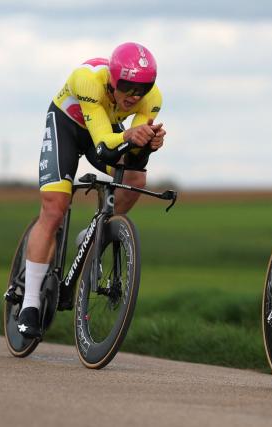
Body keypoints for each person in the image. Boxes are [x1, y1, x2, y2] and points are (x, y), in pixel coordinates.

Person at [17, 42, 166, 338]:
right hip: (68, 127)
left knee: (136, 179)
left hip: (108, 134)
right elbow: (103, 144)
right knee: (55, 208)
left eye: (142, 88)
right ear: (112, 80)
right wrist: (130, 136)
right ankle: (30, 302)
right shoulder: (88, 80)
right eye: (126, 86)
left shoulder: (153, 98)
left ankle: (94, 233)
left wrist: (148, 145)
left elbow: (131, 156)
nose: (134, 95)